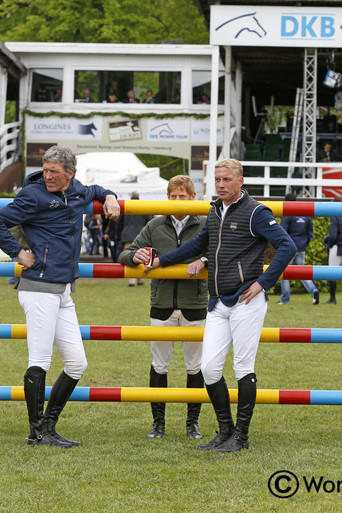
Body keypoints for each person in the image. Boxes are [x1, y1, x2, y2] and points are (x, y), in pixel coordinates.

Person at [146, 158, 296, 453]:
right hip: (217, 302)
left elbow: (287, 246)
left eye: (227, 179)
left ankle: (241, 437)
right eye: (217, 180)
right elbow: (199, 244)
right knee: (209, 368)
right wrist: (162, 261)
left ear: (240, 181)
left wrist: (263, 283)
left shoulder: (256, 211)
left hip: (246, 301)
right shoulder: (215, 210)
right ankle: (225, 431)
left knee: (242, 367)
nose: (221, 185)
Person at [0, 145, 120, 448]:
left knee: (77, 363)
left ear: (70, 174)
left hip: (62, 290)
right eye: (45, 170)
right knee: (40, 360)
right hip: (38, 289)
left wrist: (109, 196)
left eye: (53, 172)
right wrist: (18, 253)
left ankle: (48, 426)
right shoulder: (33, 195)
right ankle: (37, 432)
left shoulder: (78, 190)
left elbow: (95, 188)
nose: (47, 176)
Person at [118, 175, 208, 440]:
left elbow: (220, 251)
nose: (177, 200)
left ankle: (193, 424)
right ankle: (158, 424)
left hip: (195, 304)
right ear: (167, 197)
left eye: (183, 196)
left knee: (195, 366)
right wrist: (134, 256)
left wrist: (203, 259)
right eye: (173, 196)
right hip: (161, 304)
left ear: (193, 198)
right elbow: (126, 253)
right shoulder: (155, 225)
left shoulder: (205, 223)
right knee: (159, 365)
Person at [277, 192, 319, 305]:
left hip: (290, 248)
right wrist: (305, 243)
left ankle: (284, 299)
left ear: (285, 201)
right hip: (302, 247)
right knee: (302, 272)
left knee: (284, 272)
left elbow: (282, 232)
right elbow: (310, 232)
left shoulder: (287, 213)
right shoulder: (304, 213)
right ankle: (313, 290)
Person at [118, 191, 153, 286]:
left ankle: (131, 281)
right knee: (141, 257)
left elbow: (119, 221)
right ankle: (140, 279)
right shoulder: (143, 206)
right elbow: (150, 220)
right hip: (141, 236)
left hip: (127, 235)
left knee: (129, 257)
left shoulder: (126, 207)